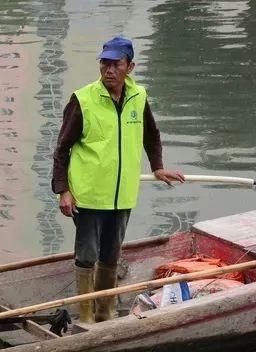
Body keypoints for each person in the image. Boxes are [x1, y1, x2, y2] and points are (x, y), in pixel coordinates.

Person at [52, 36, 185, 323]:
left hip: (122, 194)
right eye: (104, 64)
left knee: (111, 255)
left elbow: (151, 135)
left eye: (116, 64)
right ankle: (85, 317)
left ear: (130, 67)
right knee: (87, 255)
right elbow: (62, 148)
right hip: (88, 194)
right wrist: (63, 190)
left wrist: (158, 166)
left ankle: (105, 313)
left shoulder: (139, 96)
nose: (109, 70)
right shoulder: (83, 99)